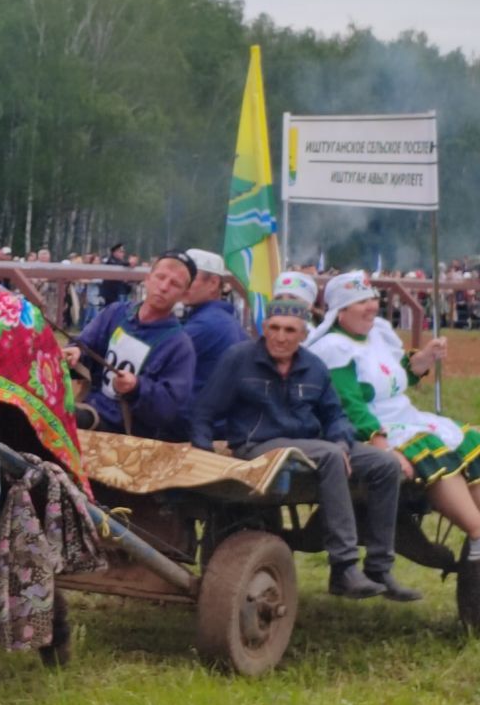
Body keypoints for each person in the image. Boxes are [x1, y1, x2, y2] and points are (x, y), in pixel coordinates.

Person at [192, 297, 418, 600]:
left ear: (302, 335)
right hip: (259, 444)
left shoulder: (314, 367)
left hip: (311, 445)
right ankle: (344, 566)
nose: (281, 337)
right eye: (274, 328)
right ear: (264, 328)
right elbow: (204, 411)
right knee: (328, 456)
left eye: (289, 330)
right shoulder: (238, 359)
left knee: (384, 464)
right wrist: (203, 452)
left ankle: (379, 567)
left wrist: (341, 441)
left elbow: (335, 415)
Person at [307, 270, 480, 560]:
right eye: (361, 301)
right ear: (340, 311)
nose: (372, 306)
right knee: (432, 450)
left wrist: (423, 359)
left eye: (372, 298)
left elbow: (393, 379)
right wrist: (379, 442)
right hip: (373, 426)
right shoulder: (334, 349)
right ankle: (476, 532)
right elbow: (350, 404)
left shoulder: (375, 334)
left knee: (471, 439)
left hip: (406, 416)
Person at [63, 251, 197, 440]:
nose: (164, 287)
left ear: (184, 294)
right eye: (160, 277)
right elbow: (86, 345)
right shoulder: (116, 312)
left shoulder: (180, 346)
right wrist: (76, 352)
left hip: (125, 432)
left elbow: (169, 408)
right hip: (91, 405)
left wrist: (137, 387)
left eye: (175, 284)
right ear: (148, 278)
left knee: (62, 418)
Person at [183, 248, 247, 395]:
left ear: (213, 283)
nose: (182, 284)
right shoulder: (226, 320)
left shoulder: (206, 324)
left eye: (190, 278)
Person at [99, 241, 130, 307]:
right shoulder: (111, 261)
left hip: (115, 293)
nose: (123, 254)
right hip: (109, 294)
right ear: (114, 252)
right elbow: (117, 265)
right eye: (121, 252)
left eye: (123, 252)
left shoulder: (120, 262)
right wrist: (129, 264)